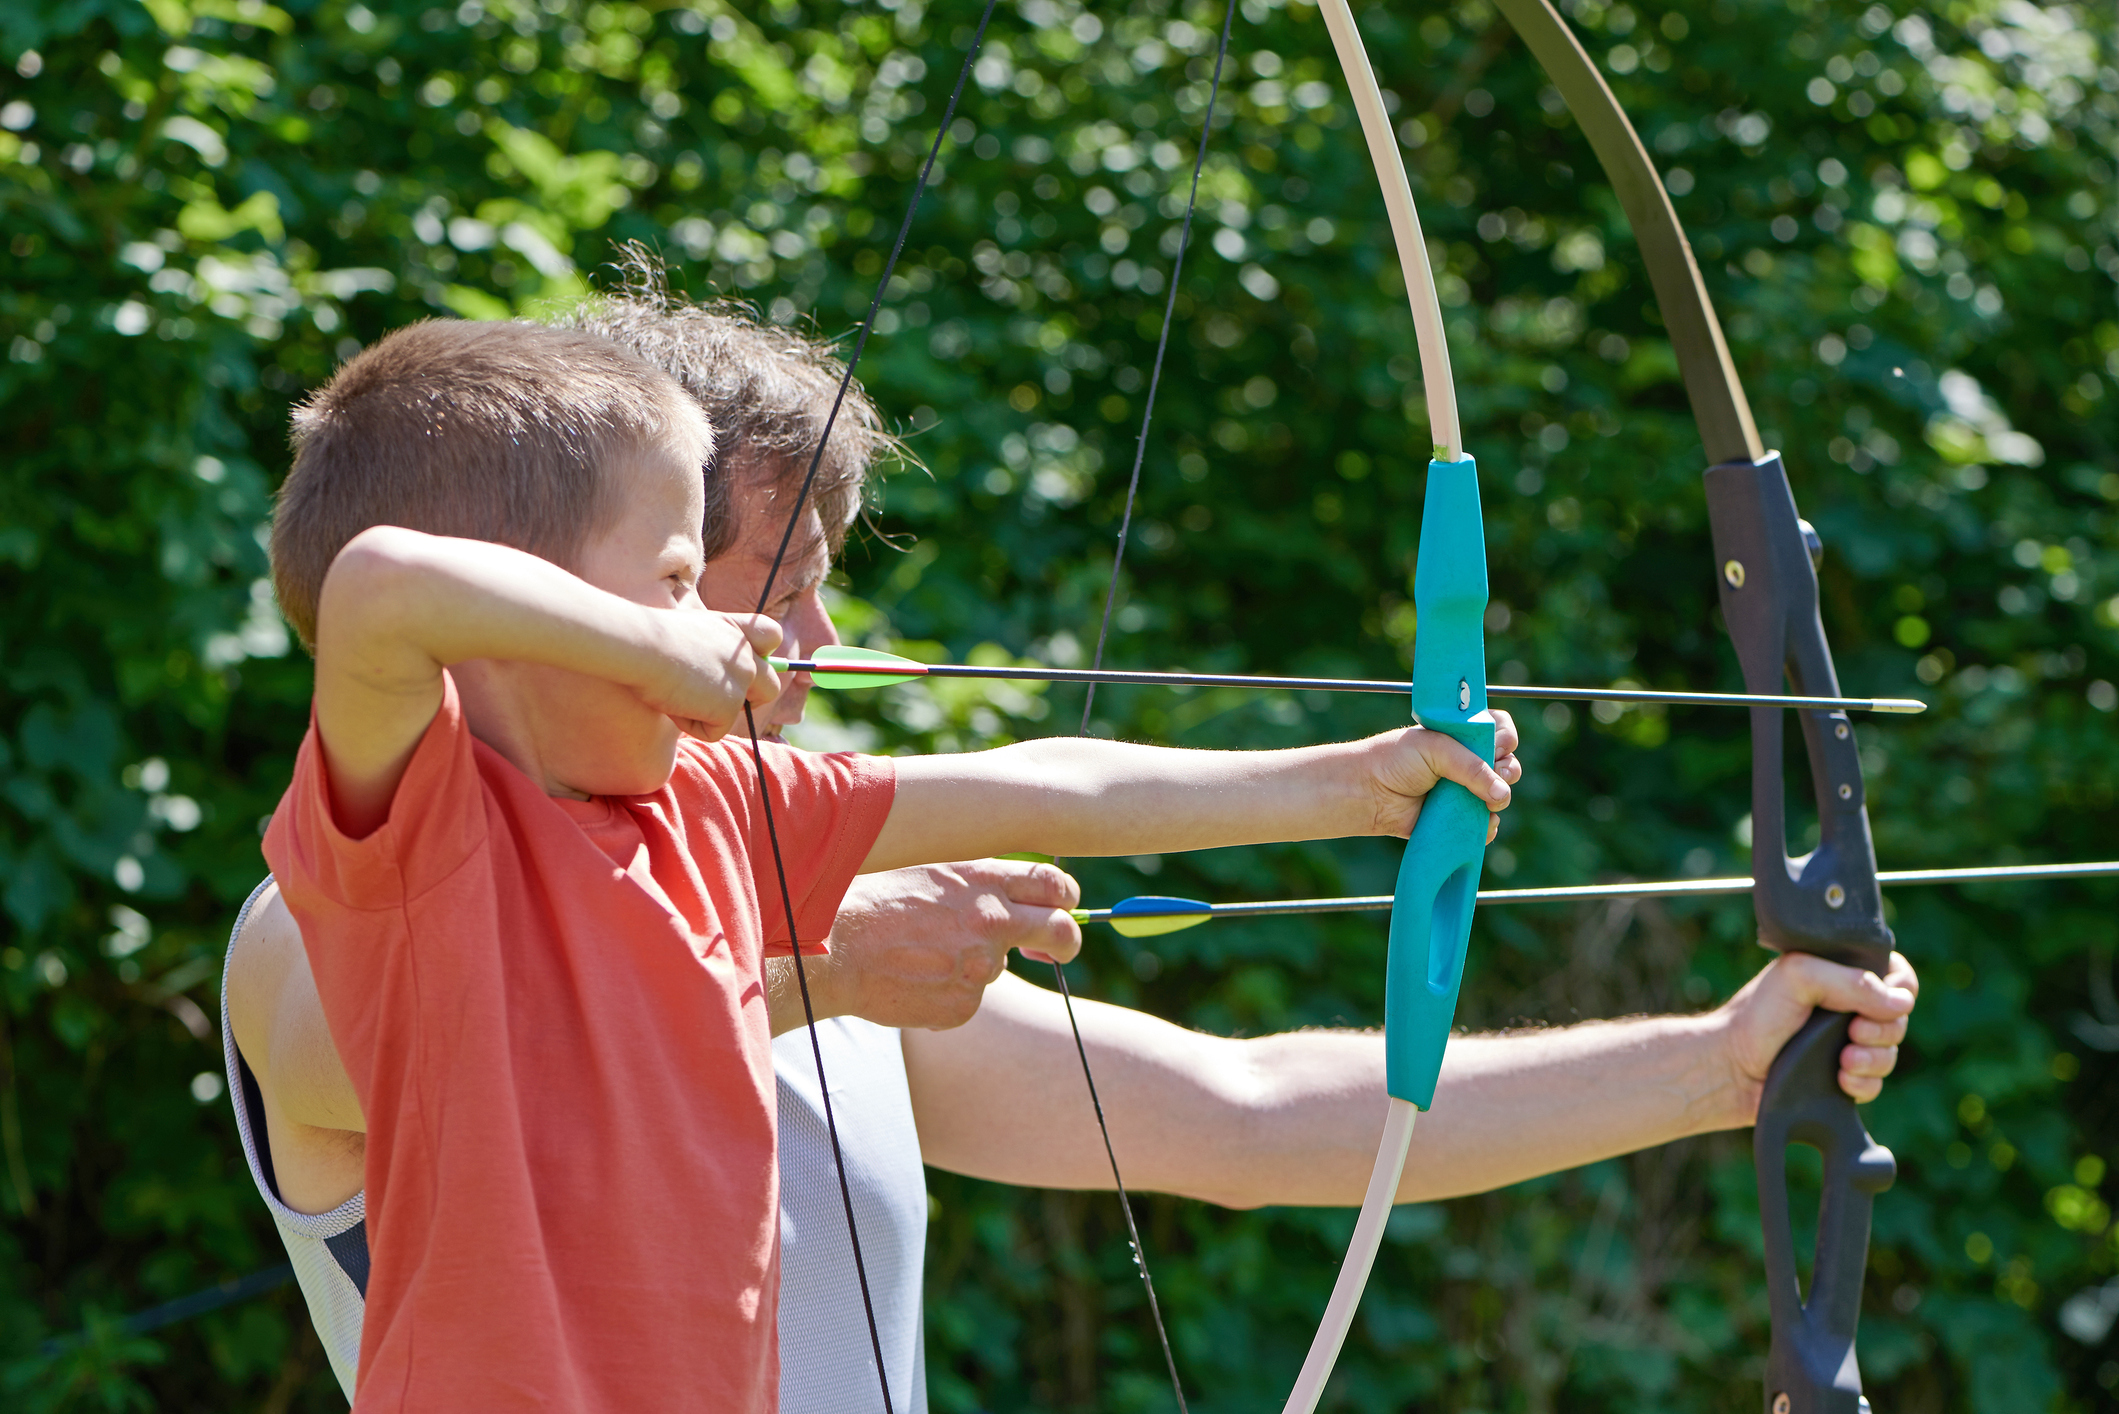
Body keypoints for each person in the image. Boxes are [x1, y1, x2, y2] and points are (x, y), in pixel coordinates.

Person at [227, 289, 1917, 1411]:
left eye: (823, 581)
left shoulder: (733, 842)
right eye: (732, 578)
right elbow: (429, 1046)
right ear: (532, 595)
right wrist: (806, 977)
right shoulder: (356, 891)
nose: (813, 645)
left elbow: (1246, 1110)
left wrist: (1720, 1064)